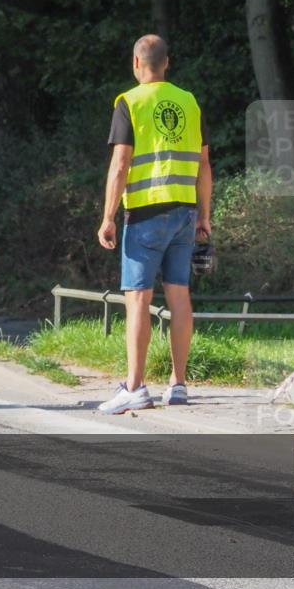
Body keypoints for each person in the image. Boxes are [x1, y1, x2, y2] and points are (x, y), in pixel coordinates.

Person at [96, 35, 212, 414]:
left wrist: (108, 217)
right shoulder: (189, 101)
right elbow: (204, 164)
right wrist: (205, 217)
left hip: (145, 214)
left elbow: (120, 165)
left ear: (135, 63)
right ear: (167, 62)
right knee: (179, 296)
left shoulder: (129, 102)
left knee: (138, 299)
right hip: (185, 212)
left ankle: (134, 387)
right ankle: (178, 384)